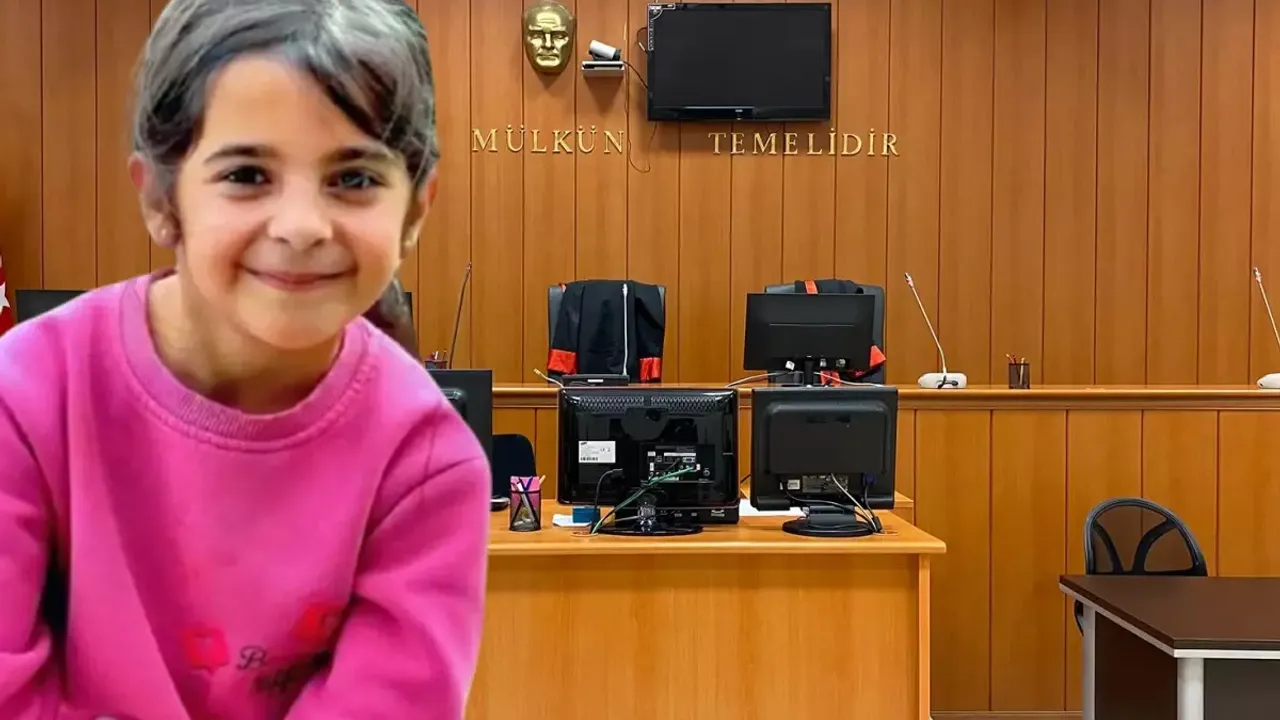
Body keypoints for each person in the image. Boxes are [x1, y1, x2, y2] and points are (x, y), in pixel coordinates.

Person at [0, 1, 491, 718]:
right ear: (161, 198)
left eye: (354, 179)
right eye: (248, 174)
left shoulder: (427, 465)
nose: (301, 226)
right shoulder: (24, 397)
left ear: (416, 209)